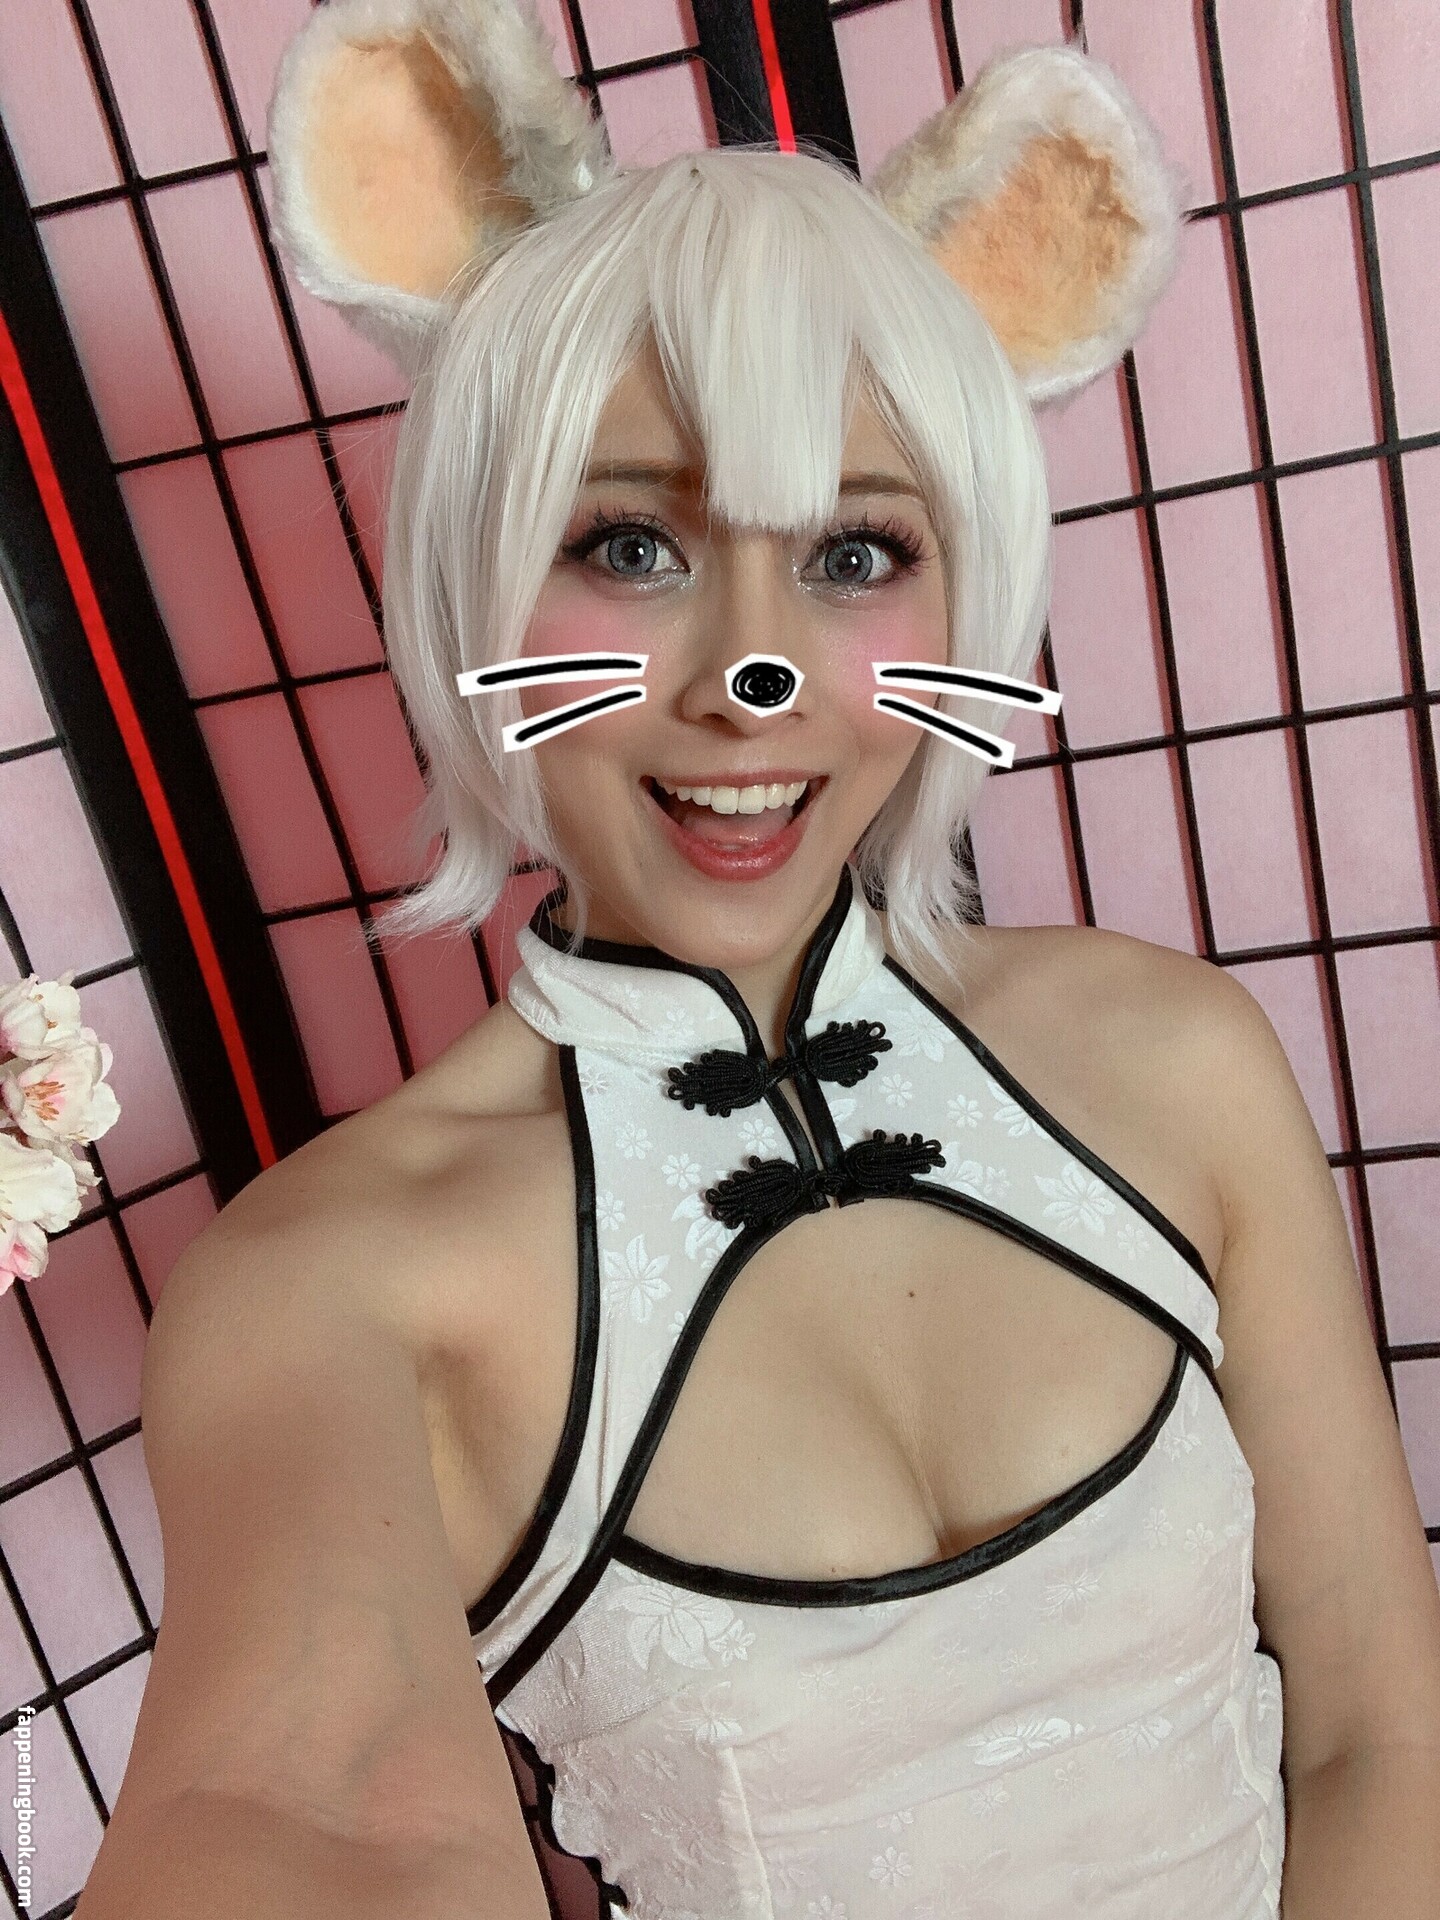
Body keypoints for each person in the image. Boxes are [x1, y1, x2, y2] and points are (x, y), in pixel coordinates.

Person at [75, 4, 1440, 1917]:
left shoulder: (1179, 1057)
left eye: (856, 556)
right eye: (631, 548)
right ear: (473, 575)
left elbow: (1382, 1726)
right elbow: (308, 1816)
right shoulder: (323, 1291)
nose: (753, 678)